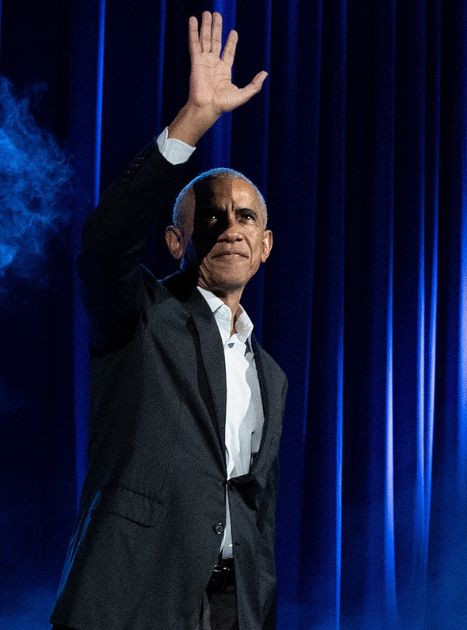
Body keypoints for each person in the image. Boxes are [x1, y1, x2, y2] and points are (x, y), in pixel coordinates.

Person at [50, 12, 285, 629]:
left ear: (264, 246)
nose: (229, 227)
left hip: (229, 607)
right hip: (131, 598)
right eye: (209, 217)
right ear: (176, 241)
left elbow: (255, 506)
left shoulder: (272, 374)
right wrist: (195, 121)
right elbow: (103, 244)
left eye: (244, 218)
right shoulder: (145, 318)